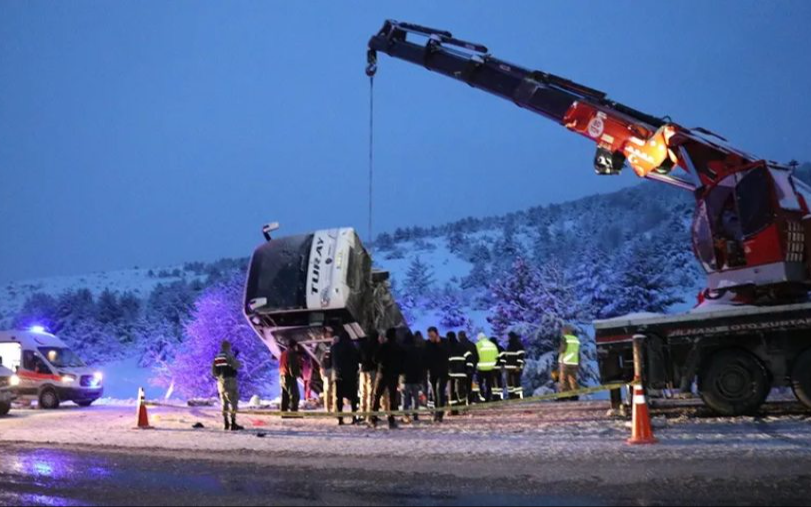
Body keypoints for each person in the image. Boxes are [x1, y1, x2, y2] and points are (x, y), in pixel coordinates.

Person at [371, 328, 402, 429]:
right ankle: (391, 419)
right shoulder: (398, 347)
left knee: (377, 395)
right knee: (392, 397)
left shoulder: (383, 346)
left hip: (383, 373)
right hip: (393, 374)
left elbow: (375, 358)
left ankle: (373, 418)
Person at [212, 340, 244, 431]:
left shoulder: (217, 357)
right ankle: (233, 423)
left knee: (224, 402)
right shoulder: (229, 356)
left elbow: (213, 372)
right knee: (234, 401)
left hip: (221, 383)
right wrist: (235, 359)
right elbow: (237, 365)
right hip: (230, 381)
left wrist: (220, 377)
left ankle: (226, 422)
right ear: (228, 347)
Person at [332, 330, 361, 425]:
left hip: (339, 375)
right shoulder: (352, 347)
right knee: (353, 397)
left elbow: (333, 361)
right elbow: (357, 359)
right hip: (351, 376)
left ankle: (340, 418)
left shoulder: (334, 347)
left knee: (339, 397)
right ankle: (354, 417)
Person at [425, 327, 450, 422]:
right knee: (434, 393)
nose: (430, 337)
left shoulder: (444, 341)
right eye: (429, 336)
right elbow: (425, 356)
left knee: (440, 391)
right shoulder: (427, 344)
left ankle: (440, 414)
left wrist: (439, 343)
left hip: (443, 371)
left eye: (432, 335)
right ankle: (436, 412)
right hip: (432, 372)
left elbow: (447, 353)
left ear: (436, 334)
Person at [401, 331, 425, 424]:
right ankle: (415, 414)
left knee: (405, 397)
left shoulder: (403, 350)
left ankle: (405, 414)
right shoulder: (418, 350)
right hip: (416, 377)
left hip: (406, 377)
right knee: (415, 397)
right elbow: (420, 364)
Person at [359, 332, 380, 423]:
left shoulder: (363, 345)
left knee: (363, 392)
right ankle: (370, 414)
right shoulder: (376, 346)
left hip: (363, 370)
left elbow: (359, 357)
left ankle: (362, 412)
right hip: (372, 370)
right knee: (371, 393)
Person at [447, 332, 470, 414]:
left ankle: (453, 410)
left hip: (450, 374)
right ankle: (463, 408)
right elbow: (469, 357)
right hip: (461, 373)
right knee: (461, 391)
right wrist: (469, 368)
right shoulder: (461, 346)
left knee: (451, 392)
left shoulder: (446, 347)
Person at [559, 325, 581, 400]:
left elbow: (563, 349)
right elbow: (577, 352)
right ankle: (574, 395)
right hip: (574, 362)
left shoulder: (565, 338)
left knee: (563, 379)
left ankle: (563, 395)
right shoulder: (576, 339)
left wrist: (559, 352)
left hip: (565, 361)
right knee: (573, 378)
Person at [279, 339, 302, 414]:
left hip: (282, 375)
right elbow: (292, 365)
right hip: (289, 377)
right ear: (294, 346)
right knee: (294, 395)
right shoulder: (291, 353)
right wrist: (295, 374)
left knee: (284, 396)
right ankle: (293, 412)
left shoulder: (283, 353)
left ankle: (283, 412)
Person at [318, 328, 337, 413]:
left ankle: (332, 407)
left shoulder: (330, 345)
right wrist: (321, 368)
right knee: (328, 389)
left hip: (332, 369)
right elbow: (321, 359)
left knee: (333, 389)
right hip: (327, 369)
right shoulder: (324, 345)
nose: (328, 334)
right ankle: (328, 407)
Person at [475, 333, 498, 402]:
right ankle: (488, 397)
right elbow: (496, 356)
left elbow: (475, 355)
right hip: (491, 367)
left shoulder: (478, 345)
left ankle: (482, 396)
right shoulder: (492, 345)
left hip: (480, 367)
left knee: (480, 383)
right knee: (489, 384)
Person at [459, 331, 479, 404]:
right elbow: (477, 357)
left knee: (460, 386)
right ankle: (470, 399)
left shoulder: (459, 345)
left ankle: (463, 400)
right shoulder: (472, 345)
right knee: (469, 385)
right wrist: (473, 365)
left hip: (461, 369)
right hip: (471, 369)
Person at [505, 331, 526, 399]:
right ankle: (511, 396)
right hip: (509, 367)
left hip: (515, 367)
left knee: (516, 382)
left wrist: (518, 366)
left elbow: (520, 356)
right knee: (510, 383)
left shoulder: (518, 345)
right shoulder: (509, 345)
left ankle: (518, 396)